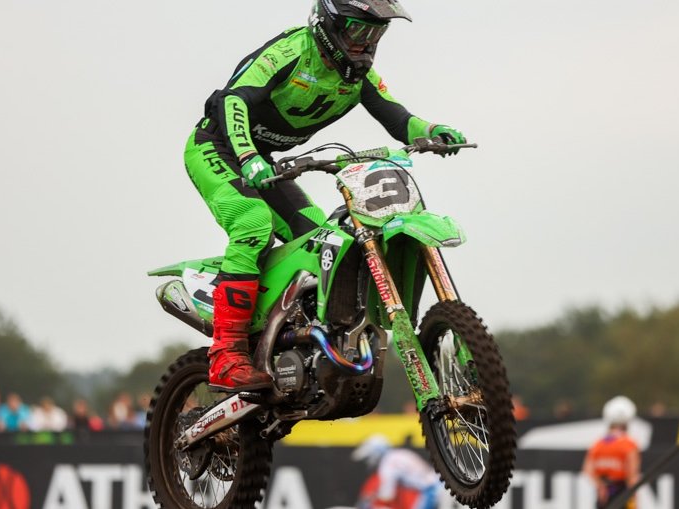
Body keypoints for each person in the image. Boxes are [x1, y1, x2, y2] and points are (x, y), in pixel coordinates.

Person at [184, 0, 467, 391]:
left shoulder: (359, 78)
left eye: (375, 33)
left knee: (321, 238)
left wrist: (431, 130)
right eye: (357, 30)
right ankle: (226, 353)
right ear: (328, 25)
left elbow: (398, 118)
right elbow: (232, 100)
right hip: (217, 147)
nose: (365, 42)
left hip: (264, 160)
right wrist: (247, 155)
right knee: (252, 221)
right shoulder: (290, 51)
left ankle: (290, 339)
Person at [352, 434, 441, 509]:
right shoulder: (398, 454)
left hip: (432, 490)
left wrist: (368, 503)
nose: (368, 462)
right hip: (439, 485)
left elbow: (386, 495)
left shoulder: (388, 463)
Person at [582, 396, 641, 509]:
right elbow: (632, 476)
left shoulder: (598, 444)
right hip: (622, 495)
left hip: (603, 497)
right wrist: (635, 502)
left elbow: (587, 470)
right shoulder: (629, 444)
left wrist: (600, 486)